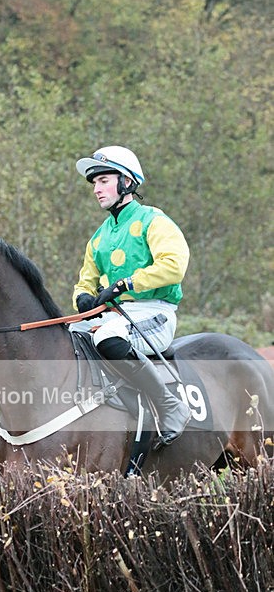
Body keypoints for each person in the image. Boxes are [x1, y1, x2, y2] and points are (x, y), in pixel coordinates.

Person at [72, 145, 191, 449]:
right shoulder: (98, 237)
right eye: (94, 183)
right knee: (71, 335)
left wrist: (126, 284)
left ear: (126, 181)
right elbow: (84, 281)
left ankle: (170, 406)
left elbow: (174, 265)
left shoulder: (154, 220)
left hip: (155, 312)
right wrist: (84, 299)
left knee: (106, 336)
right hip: (117, 317)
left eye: (103, 180)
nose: (96, 189)